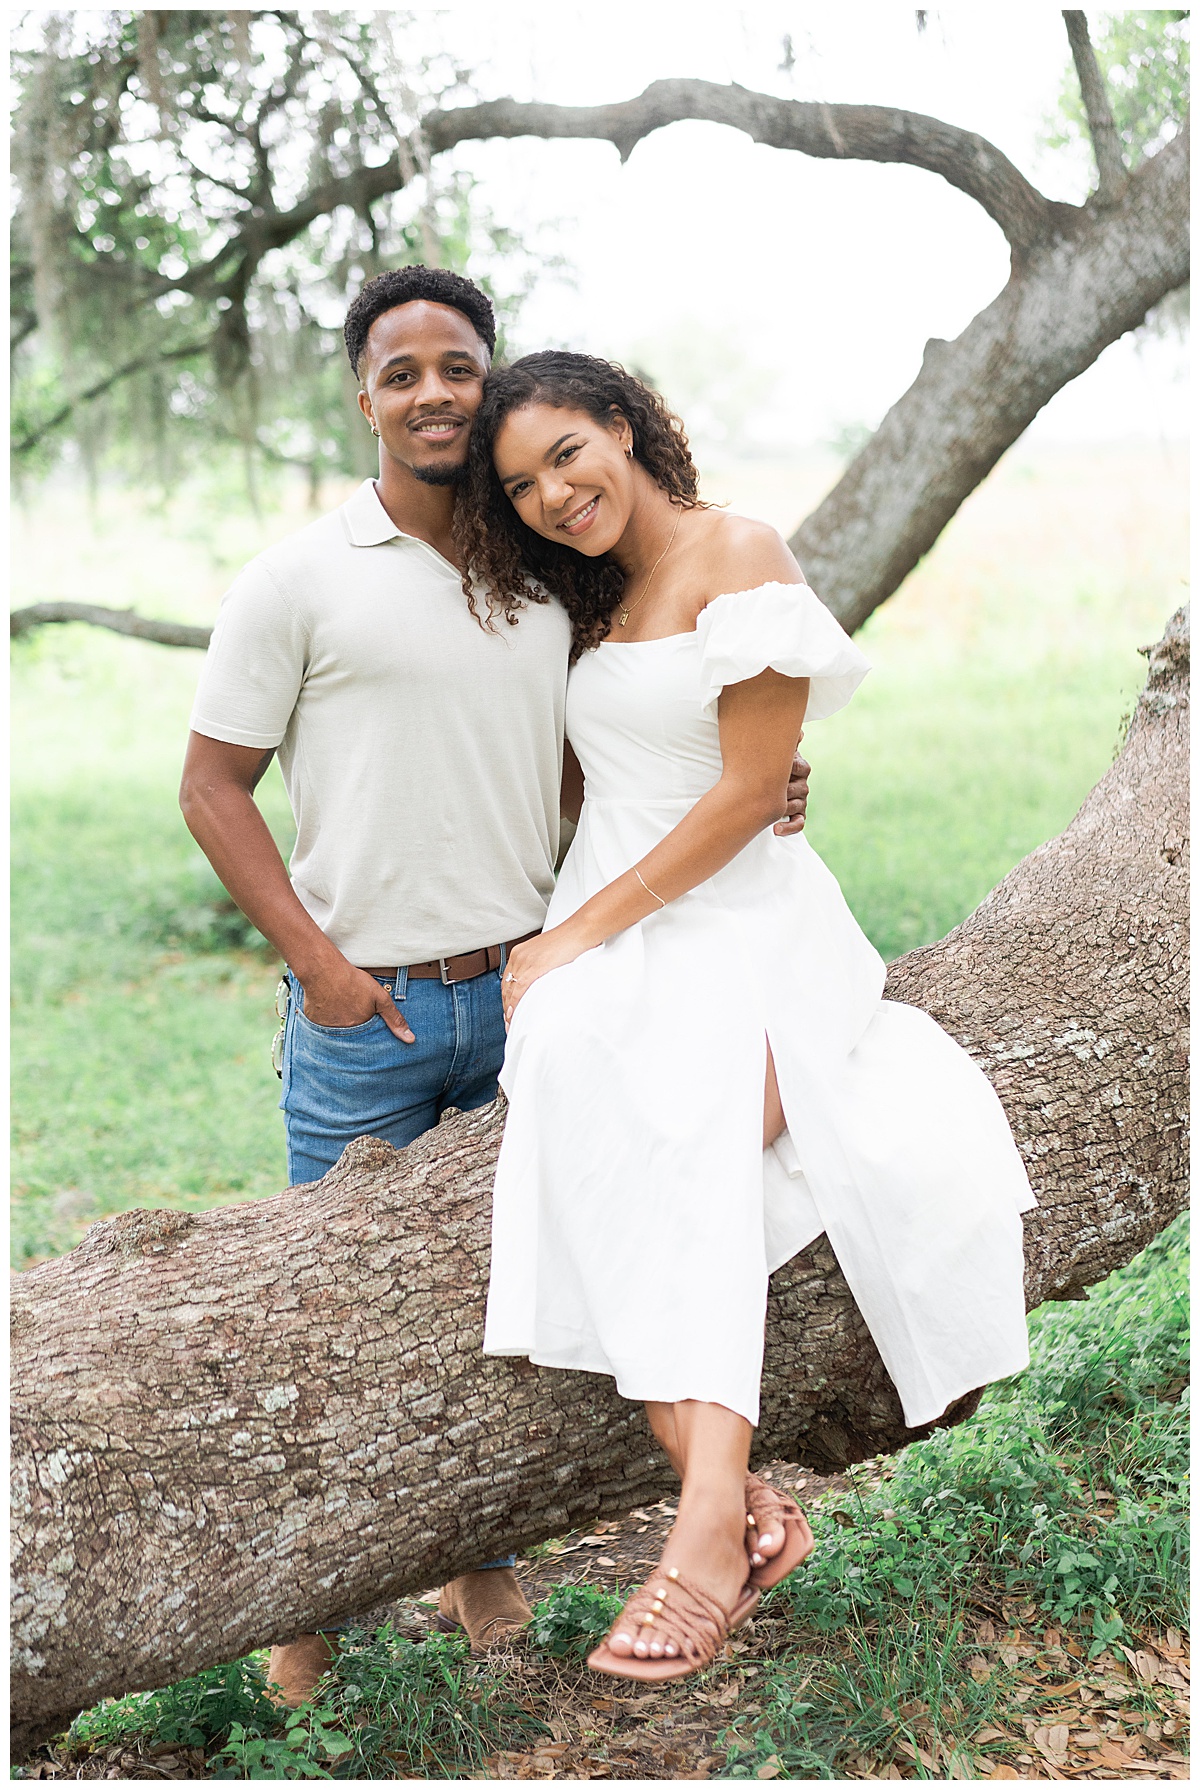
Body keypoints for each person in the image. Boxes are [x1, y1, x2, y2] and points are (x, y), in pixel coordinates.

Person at [179, 269, 814, 1701]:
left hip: (542, 994)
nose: (433, 393)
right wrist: (326, 973)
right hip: (372, 1014)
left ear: (491, 379)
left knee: (513, 1284)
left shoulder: (547, 573)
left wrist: (760, 779)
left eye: (458, 366)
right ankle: (310, 1606)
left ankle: (479, 1554)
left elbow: (635, 726)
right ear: (364, 397)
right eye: (401, 372)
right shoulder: (297, 579)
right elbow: (211, 787)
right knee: (337, 1306)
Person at [454, 351, 1036, 1684]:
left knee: (693, 1116)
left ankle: (707, 1522)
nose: (552, 492)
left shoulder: (740, 549)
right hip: (615, 925)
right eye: (521, 484)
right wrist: (583, 939)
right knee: (580, 1096)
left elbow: (744, 792)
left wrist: (571, 934)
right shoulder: (585, 597)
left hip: (747, 919)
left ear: (622, 425)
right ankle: (733, 1496)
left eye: (565, 453)